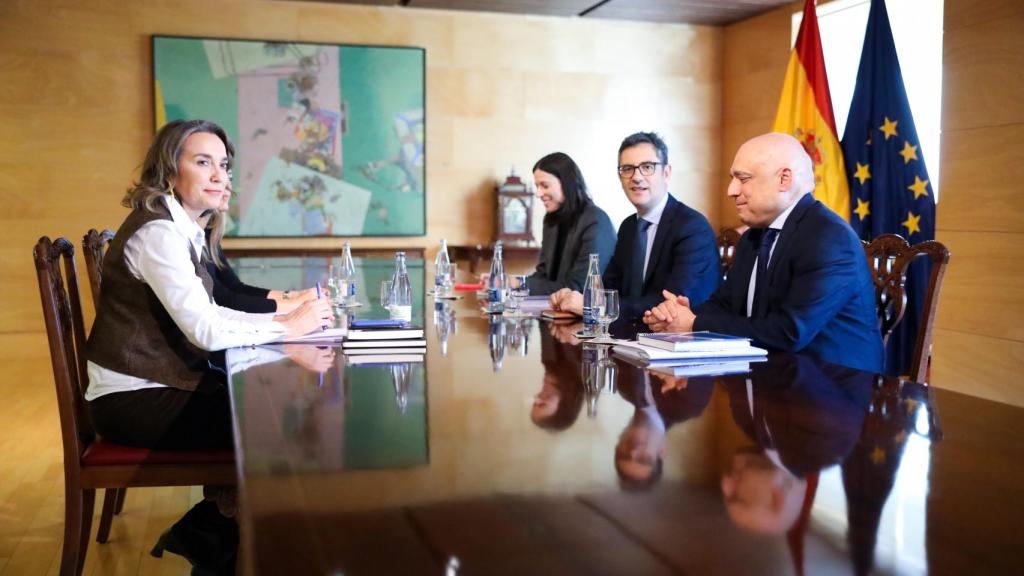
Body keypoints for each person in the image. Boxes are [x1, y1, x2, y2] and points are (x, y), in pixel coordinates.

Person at [84, 119, 333, 571]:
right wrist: (287, 326)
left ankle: (222, 536)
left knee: (263, 409)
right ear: (168, 170)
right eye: (203, 162)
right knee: (269, 425)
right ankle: (236, 546)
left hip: (153, 386)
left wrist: (286, 320)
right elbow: (205, 330)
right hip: (132, 400)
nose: (221, 176)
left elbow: (214, 313)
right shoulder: (158, 234)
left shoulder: (181, 229)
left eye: (224, 165)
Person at [643, 133, 884, 373]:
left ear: (784, 179)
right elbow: (725, 305)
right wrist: (677, 316)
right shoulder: (754, 236)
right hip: (774, 377)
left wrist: (693, 322)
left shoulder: (829, 237)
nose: (731, 190)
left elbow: (789, 332)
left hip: (837, 390)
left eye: (743, 178)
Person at [550, 132, 720, 321]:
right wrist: (575, 297)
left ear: (666, 173)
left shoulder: (692, 228)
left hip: (681, 342)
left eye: (647, 167)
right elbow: (608, 289)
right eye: (627, 169)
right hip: (632, 337)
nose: (636, 177)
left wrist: (591, 306)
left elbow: (670, 304)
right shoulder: (629, 227)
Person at [201, 185, 318, 313]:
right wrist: (296, 305)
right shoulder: (189, 237)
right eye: (203, 163)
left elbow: (236, 287)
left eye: (229, 181)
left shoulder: (209, 234)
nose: (227, 188)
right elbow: (222, 299)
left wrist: (295, 297)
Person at [526, 152, 616, 295]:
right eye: (537, 186)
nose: (538, 193)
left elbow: (579, 287)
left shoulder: (595, 220)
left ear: (567, 183)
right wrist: (508, 282)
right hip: (555, 311)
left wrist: (519, 283)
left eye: (545, 186)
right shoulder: (551, 220)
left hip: (588, 314)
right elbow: (542, 275)